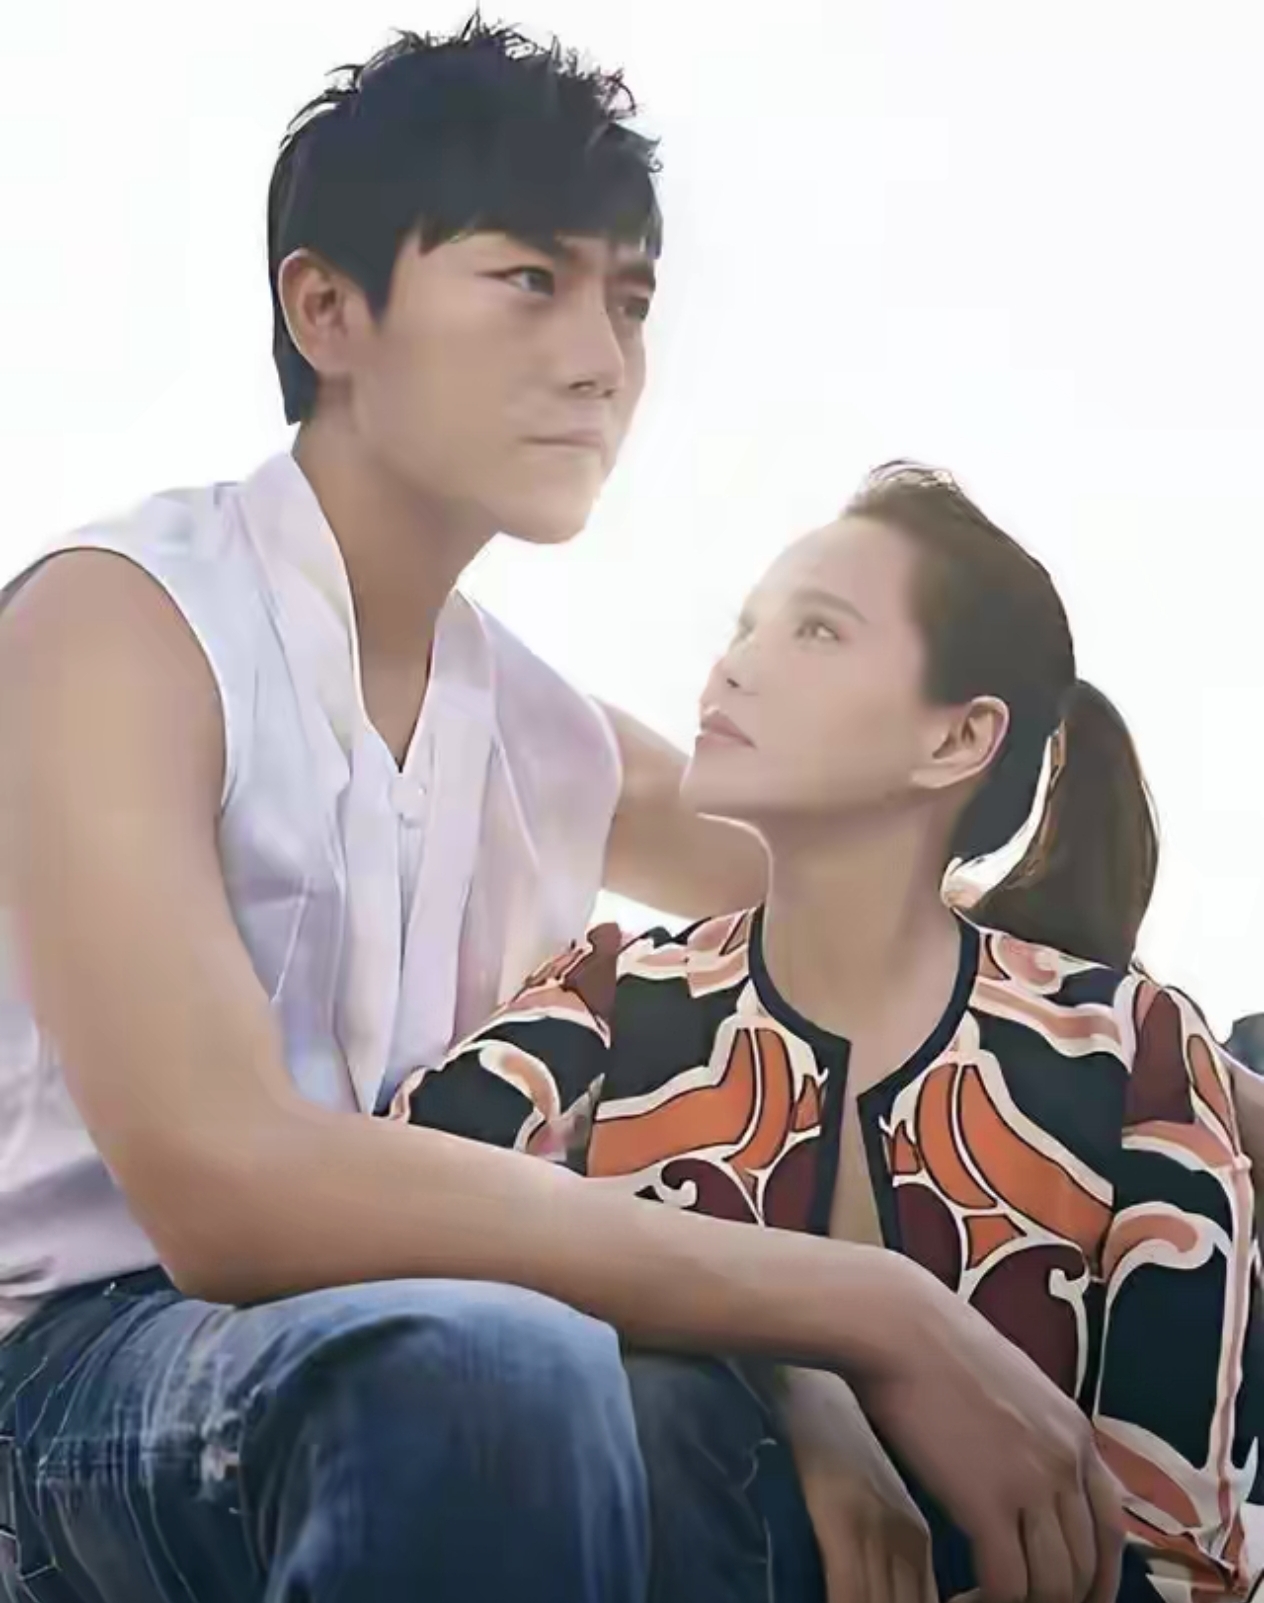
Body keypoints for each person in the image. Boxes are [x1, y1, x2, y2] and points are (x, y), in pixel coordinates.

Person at [0, 24, 1123, 1603]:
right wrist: (864, 1306)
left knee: (691, 1418)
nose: (603, 357)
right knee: (497, 1373)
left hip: (421, 1339)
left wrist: (1201, 1084)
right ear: (328, 310)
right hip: (73, 1378)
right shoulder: (120, 624)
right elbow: (226, 1184)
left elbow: (890, 915)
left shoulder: (542, 731)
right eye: (530, 279)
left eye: (632, 300)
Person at [396, 463, 1259, 1602]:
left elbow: (1173, 1554)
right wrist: (768, 1370)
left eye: (815, 630)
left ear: (958, 739)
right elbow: (388, 1211)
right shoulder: (613, 994)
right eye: (744, 626)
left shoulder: (1132, 1050)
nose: (733, 664)